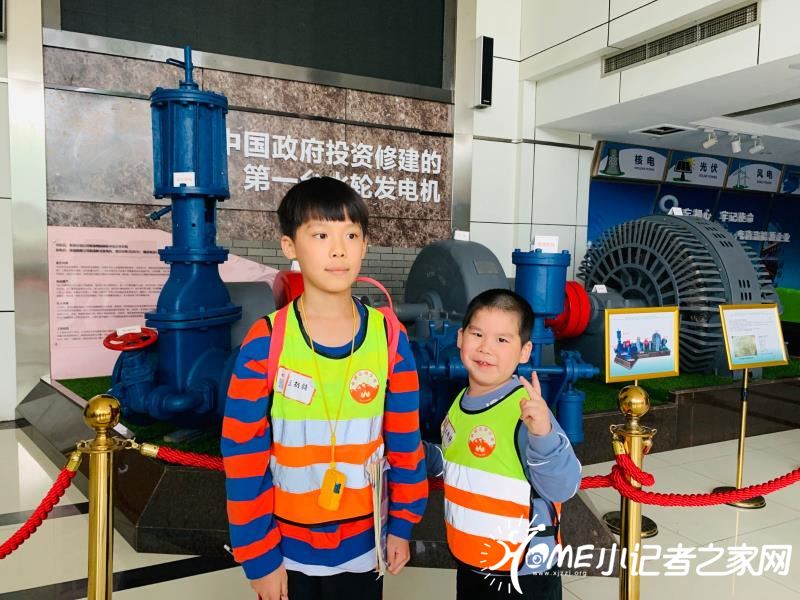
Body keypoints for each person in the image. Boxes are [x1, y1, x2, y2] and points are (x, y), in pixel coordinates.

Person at [222, 177, 428, 600]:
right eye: (320, 235)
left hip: (366, 546)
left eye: (350, 235)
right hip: (287, 551)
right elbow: (243, 455)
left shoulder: (388, 338)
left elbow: (406, 441)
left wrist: (403, 524)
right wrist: (258, 557)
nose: (338, 250)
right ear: (289, 246)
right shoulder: (266, 341)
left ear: (365, 245)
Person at [425, 289, 582, 600]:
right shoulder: (460, 402)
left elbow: (564, 487)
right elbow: (456, 460)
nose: (486, 348)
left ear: (524, 351)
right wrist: (418, 453)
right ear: (460, 338)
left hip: (523, 573)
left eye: (502, 340)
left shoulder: (528, 412)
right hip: (472, 560)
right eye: (477, 334)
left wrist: (543, 434)